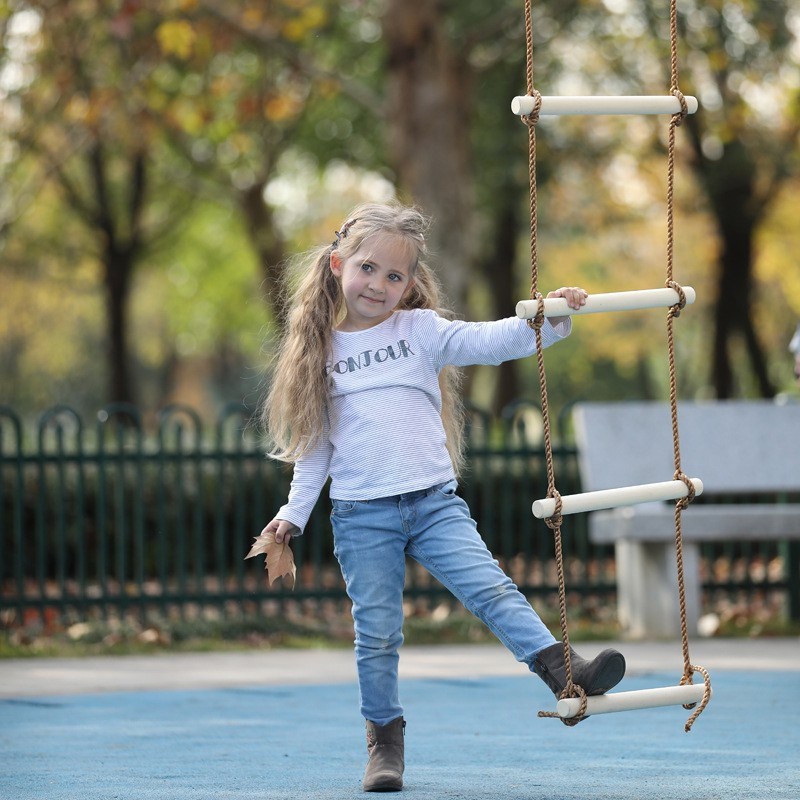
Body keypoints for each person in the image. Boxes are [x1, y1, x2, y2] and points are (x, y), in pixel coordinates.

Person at [258, 202, 625, 792]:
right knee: (377, 631)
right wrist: (290, 518)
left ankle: (564, 672)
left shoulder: (420, 332)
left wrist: (548, 318)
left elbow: (491, 341)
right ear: (336, 265)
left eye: (395, 276)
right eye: (367, 269)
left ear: (410, 285)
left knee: (490, 588)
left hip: (432, 505)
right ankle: (384, 744)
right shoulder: (320, 353)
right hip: (362, 515)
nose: (378, 285)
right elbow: (314, 451)